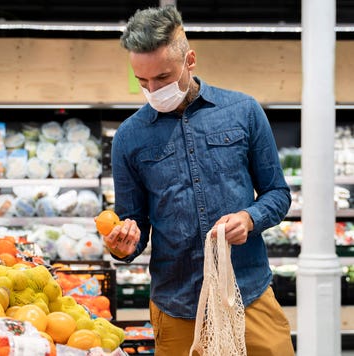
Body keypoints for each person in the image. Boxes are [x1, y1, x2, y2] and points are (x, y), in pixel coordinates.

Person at [103, 5, 295, 356]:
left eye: (162, 77)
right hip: (177, 308)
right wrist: (123, 243)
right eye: (141, 81)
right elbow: (134, 223)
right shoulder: (129, 137)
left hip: (248, 295)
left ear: (190, 60)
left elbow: (278, 193)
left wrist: (249, 218)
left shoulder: (243, 111)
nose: (152, 89)